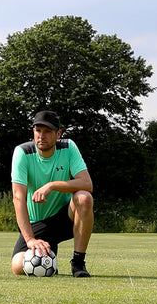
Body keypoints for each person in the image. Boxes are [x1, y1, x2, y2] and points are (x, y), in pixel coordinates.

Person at [10, 109, 94, 277]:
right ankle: (49, 260)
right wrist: (30, 239)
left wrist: (52, 185)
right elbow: (18, 198)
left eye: (48, 131)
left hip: (64, 218)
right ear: (33, 132)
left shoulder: (68, 147)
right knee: (18, 267)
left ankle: (78, 263)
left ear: (58, 134)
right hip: (36, 223)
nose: (42, 135)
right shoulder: (23, 153)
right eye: (38, 130)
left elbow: (87, 183)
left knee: (84, 197)